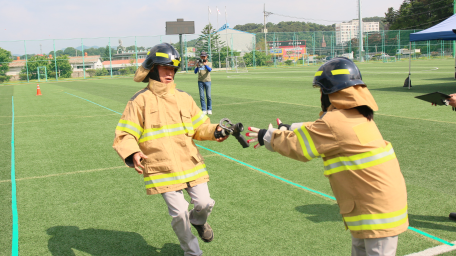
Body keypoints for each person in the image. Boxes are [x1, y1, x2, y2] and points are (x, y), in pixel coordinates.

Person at [246, 57, 408, 256]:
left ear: (332, 91)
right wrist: (290, 127)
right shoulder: (358, 115)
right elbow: (323, 129)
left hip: (376, 212)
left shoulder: (335, 122)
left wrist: (268, 136)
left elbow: (300, 147)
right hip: (376, 204)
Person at [112, 43, 228, 256]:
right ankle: (193, 252)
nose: (170, 73)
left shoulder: (184, 97)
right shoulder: (139, 101)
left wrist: (216, 131)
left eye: (173, 69)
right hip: (161, 167)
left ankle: (198, 221)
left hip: (190, 162)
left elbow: (200, 127)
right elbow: (125, 134)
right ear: (153, 69)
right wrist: (132, 152)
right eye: (165, 68)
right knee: (179, 213)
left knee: (205, 203)